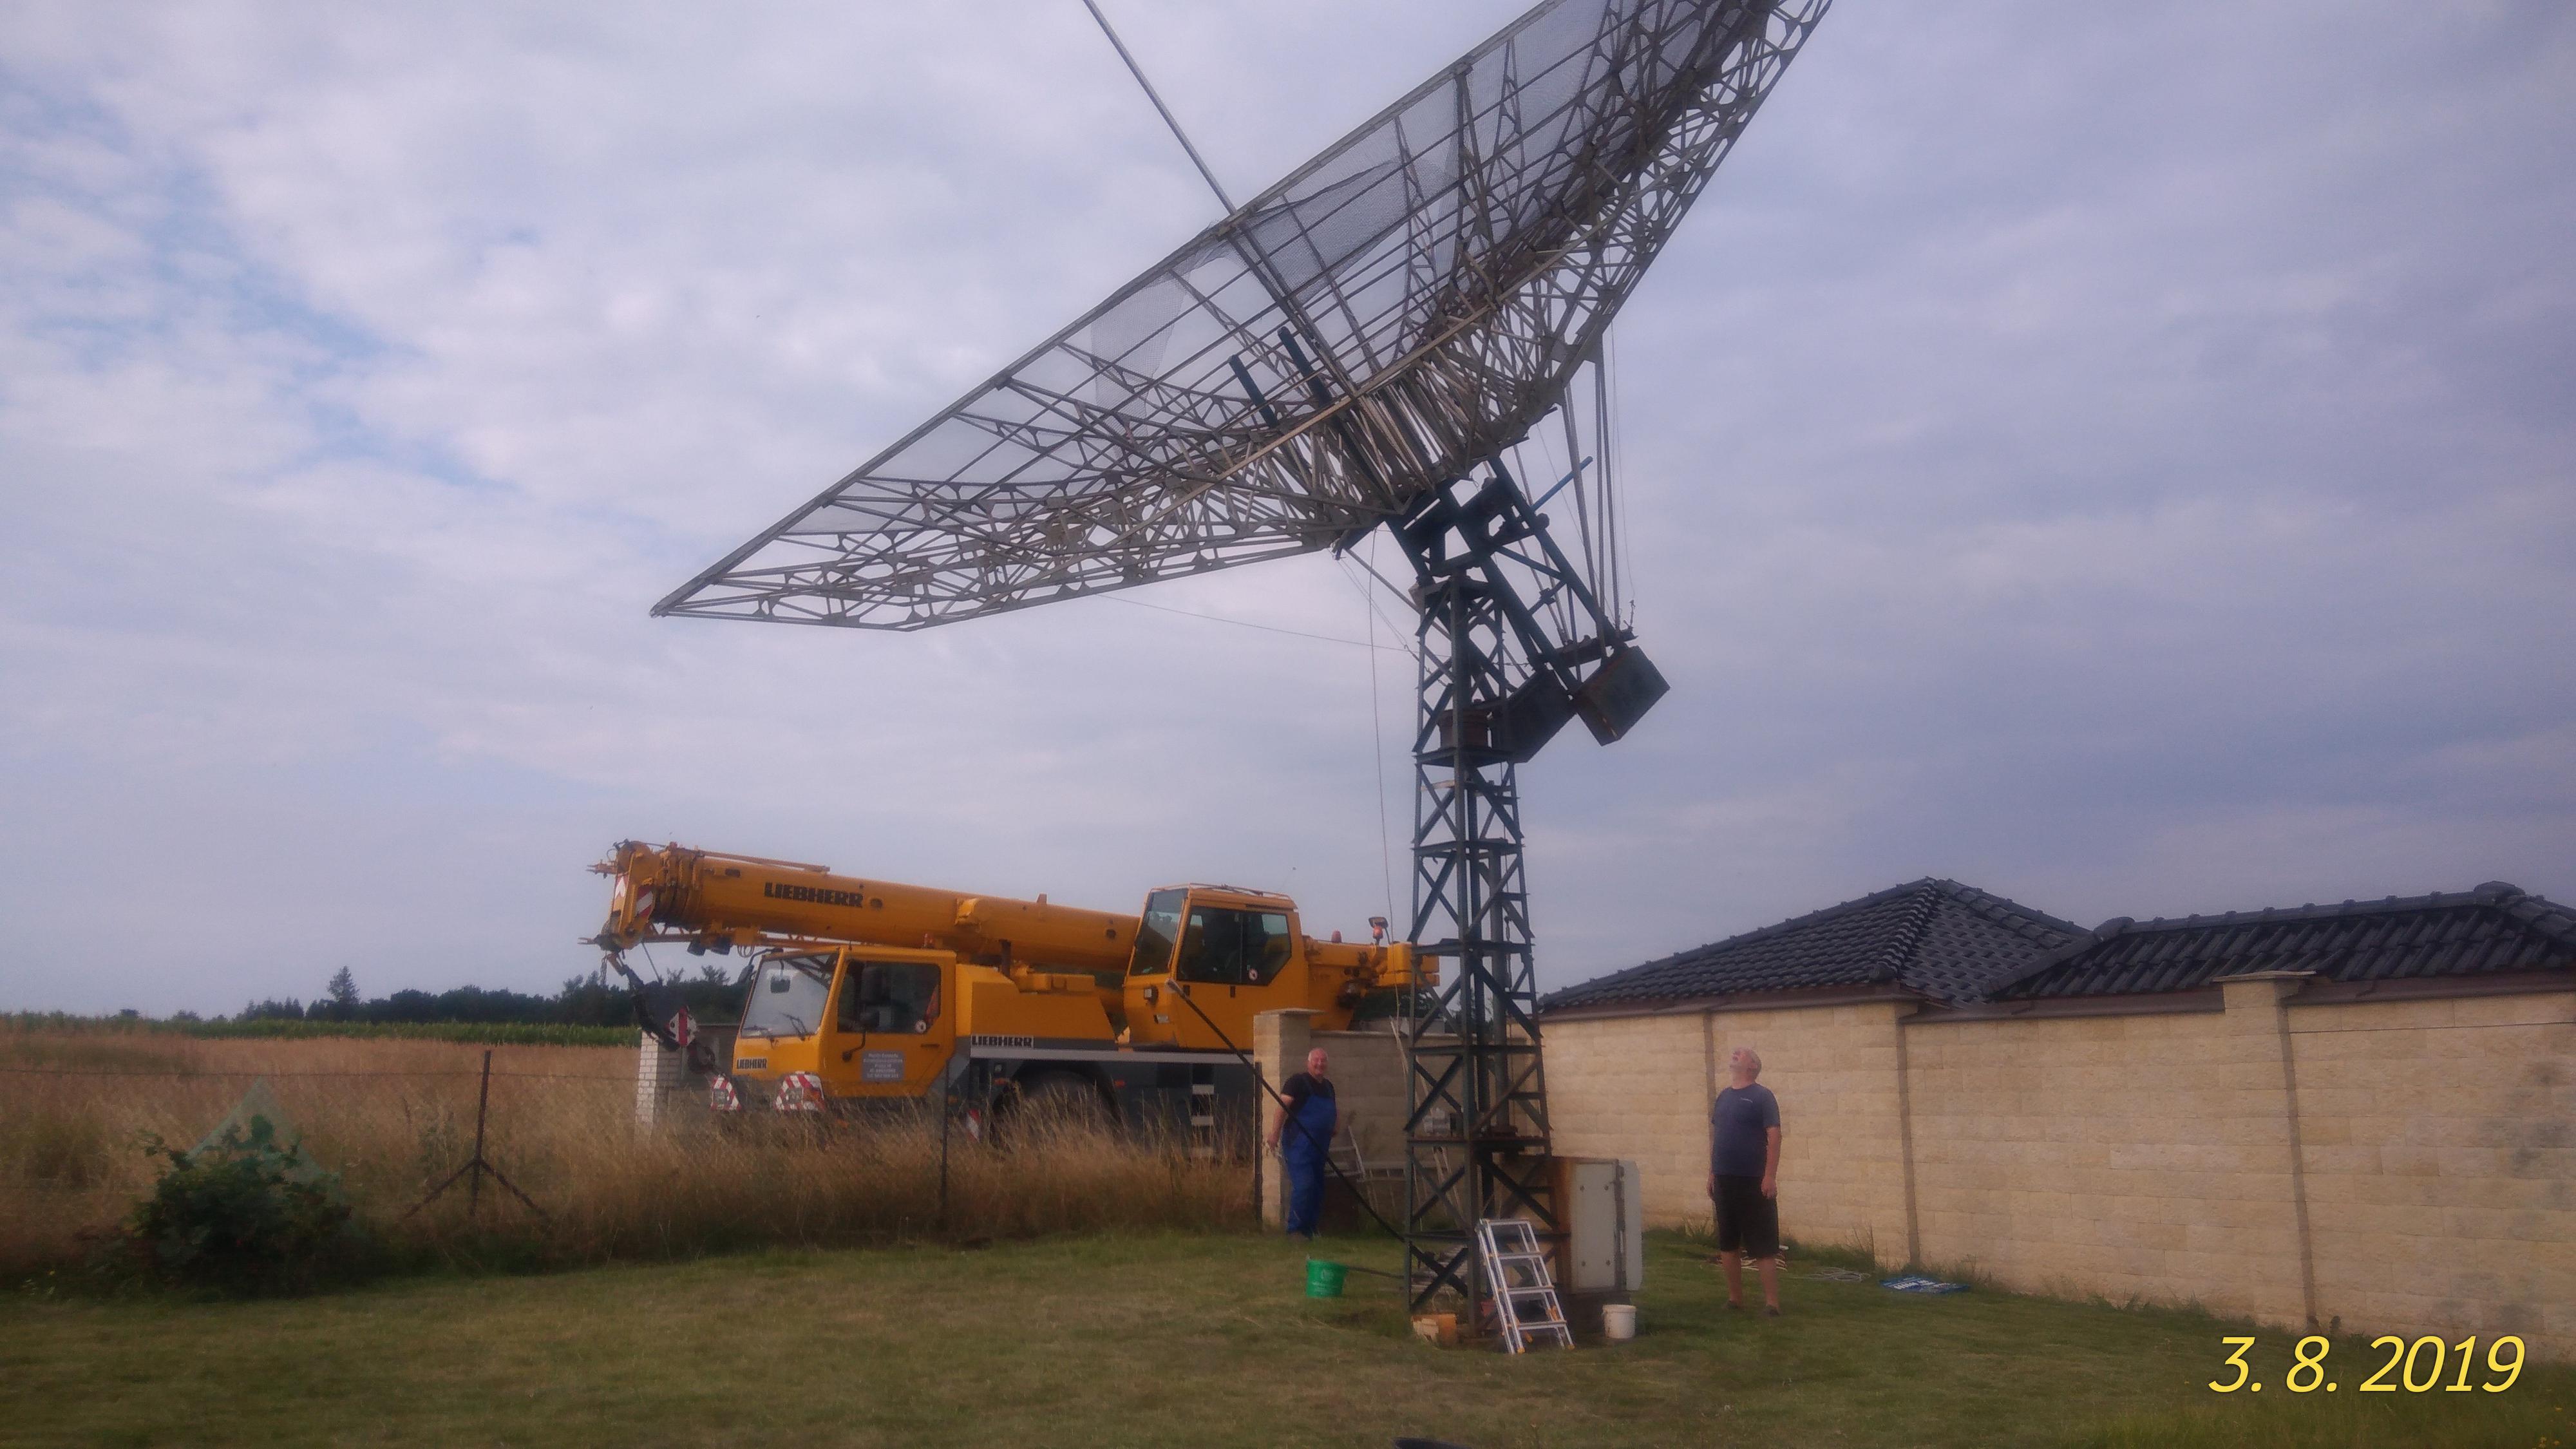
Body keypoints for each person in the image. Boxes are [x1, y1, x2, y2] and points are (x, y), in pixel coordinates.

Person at [1708, 1045, 1783, 1315]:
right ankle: (1735, 1300)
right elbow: (1718, 1138)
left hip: (1754, 1180)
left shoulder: (1762, 1097)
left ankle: (1772, 1304)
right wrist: (1712, 1171)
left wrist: (1770, 1175)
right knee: (1728, 1243)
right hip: (1725, 1178)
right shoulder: (1723, 1097)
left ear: (1752, 1067)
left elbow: (1774, 1136)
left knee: (1763, 1246)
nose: (1736, 1053)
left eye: (1744, 1053)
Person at [1268, 1046, 1336, 1240]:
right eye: (1316, 1060)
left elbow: (1334, 1109)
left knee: (1317, 1187)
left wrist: (1335, 1126)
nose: (1320, 1064)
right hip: (1298, 1144)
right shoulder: (1297, 1082)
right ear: (1308, 1063)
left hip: (1320, 1145)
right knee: (1304, 1185)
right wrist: (1274, 1134)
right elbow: (1282, 1108)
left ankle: (1310, 1229)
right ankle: (1295, 1230)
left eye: (1323, 1061)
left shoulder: (1328, 1087)